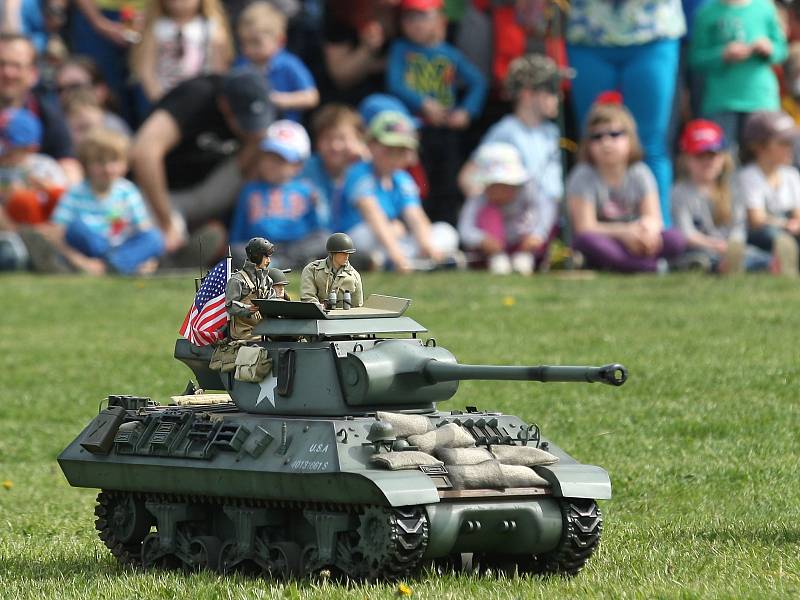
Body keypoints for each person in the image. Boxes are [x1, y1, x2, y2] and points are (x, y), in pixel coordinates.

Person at [129, 67, 275, 255]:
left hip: (205, 190)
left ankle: (209, 238)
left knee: (264, 150)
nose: (250, 128)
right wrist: (167, 223)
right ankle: (171, 248)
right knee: (158, 239)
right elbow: (144, 152)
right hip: (159, 193)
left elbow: (260, 139)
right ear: (224, 104)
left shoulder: (263, 103)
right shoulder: (196, 96)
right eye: (243, 119)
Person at [565, 0, 686, 226]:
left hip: (654, 29)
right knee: (593, 139)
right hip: (589, 29)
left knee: (649, 144)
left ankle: (659, 233)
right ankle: (587, 233)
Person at [386, 0, 487, 225]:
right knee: (417, 183)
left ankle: (447, 229)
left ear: (441, 19)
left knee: (447, 182)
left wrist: (466, 112)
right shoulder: (400, 49)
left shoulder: (450, 54)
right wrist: (423, 103)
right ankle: (418, 229)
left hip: (445, 130)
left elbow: (478, 82)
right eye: (408, 18)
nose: (414, 24)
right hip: (414, 131)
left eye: (422, 17)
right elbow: (394, 83)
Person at [566, 102, 686, 273]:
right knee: (587, 241)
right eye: (597, 137)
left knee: (675, 239)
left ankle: (624, 264)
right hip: (606, 239)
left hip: (636, 239)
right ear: (588, 144)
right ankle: (651, 266)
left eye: (614, 134)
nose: (606, 142)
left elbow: (654, 219)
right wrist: (624, 233)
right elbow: (585, 226)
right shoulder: (582, 176)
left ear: (630, 139)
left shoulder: (640, 172)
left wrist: (647, 232)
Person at [339, 110, 460, 272]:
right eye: (389, 149)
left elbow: (415, 215)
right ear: (371, 145)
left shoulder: (402, 178)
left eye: (401, 150)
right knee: (362, 237)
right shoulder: (360, 173)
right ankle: (396, 260)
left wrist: (427, 245)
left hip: (392, 239)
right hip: (366, 234)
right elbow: (373, 215)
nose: (395, 156)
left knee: (446, 231)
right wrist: (396, 254)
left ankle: (414, 259)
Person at [43, 127, 165, 275]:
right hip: (91, 247)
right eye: (99, 162)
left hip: (122, 246)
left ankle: (111, 266)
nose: (107, 168)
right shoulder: (75, 192)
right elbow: (56, 232)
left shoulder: (128, 191)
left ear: (125, 163)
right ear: (86, 164)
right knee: (76, 228)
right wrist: (81, 261)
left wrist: (148, 261)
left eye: (114, 161)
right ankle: (118, 266)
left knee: (154, 237)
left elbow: (143, 228)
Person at [458, 53, 567, 205]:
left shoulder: (552, 132)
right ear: (527, 94)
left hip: (550, 221)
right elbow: (467, 177)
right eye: (551, 90)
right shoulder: (506, 130)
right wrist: (491, 210)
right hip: (520, 223)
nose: (559, 96)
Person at [672, 119, 771, 273]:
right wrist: (714, 245)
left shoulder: (733, 188)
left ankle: (765, 264)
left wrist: (731, 246)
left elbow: (739, 228)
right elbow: (686, 233)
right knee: (693, 257)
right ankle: (715, 266)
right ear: (686, 159)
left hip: (731, 248)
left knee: (756, 255)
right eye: (699, 156)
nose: (707, 162)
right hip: (700, 248)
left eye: (712, 155)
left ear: (723, 158)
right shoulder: (679, 192)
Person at [229, 119, 327, 269]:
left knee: (324, 240)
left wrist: (319, 206)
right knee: (237, 252)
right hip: (262, 247)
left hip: (296, 246)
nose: (271, 164)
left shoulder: (306, 190)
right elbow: (239, 229)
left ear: (298, 165)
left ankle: (283, 264)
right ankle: (282, 264)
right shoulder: (250, 190)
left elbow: (319, 227)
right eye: (268, 157)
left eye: (281, 160)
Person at [690, 0, 787, 146]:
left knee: (763, 157)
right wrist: (722, 54)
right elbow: (695, 58)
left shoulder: (764, 8)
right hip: (722, 101)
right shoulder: (707, 13)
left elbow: (782, 50)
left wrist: (769, 48)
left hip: (761, 99)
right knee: (724, 157)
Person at [458, 143, 556, 275]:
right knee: (489, 213)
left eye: (504, 185)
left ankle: (526, 259)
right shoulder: (479, 198)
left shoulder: (530, 190)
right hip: (493, 245)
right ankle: (497, 260)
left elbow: (546, 211)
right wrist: (481, 240)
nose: (498, 191)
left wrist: (537, 235)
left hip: (524, 240)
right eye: (493, 186)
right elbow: (465, 228)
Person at [0, 33, 79, 182]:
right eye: (1, 64)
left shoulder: (48, 114)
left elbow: (68, 164)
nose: (7, 72)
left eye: (16, 66)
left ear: (33, 74)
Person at [130, 0, 234, 106]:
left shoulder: (211, 27)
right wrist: (161, 101)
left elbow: (219, 71)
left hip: (202, 100)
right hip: (165, 98)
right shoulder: (156, 28)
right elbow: (146, 70)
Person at [734, 111, 800, 274]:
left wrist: (795, 224)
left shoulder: (791, 175)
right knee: (775, 236)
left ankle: (783, 260)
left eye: (791, 142)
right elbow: (756, 220)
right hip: (759, 232)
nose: (790, 148)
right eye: (783, 143)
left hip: (787, 228)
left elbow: (797, 214)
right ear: (759, 147)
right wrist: (787, 225)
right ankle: (777, 261)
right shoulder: (749, 176)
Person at [236, 1, 319, 123]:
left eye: (256, 42)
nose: (249, 49)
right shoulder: (241, 65)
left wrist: (280, 100)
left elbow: (312, 97)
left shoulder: (289, 64)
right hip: (252, 127)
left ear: (280, 41)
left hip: (286, 129)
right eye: (244, 43)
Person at [300, 103, 368, 231]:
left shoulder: (365, 167)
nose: (334, 146)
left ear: (358, 140)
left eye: (342, 138)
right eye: (327, 138)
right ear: (317, 142)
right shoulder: (306, 169)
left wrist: (366, 157)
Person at [0, 107, 67, 226]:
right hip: (8, 226)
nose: (3, 154)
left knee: (27, 199)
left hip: (41, 225)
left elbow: (64, 202)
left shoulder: (45, 166)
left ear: (31, 149)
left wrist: (46, 188)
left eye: (8, 151)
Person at [225, 236, 275, 340]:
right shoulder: (238, 280)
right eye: (266, 257)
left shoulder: (267, 280)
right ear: (257, 256)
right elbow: (230, 305)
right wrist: (247, 309)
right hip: (243, 331)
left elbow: (272, 300)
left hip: (264, 329)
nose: (269, 261)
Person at [300, 231, 363, 308]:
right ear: (333, 253)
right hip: (318, 316)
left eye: (348, 253)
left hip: (343, 317)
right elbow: (307, 296)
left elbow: (357, 305)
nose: (347, 256)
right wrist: (318, 307)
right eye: (343, 253)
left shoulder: (354, 276)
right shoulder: (312, 270)